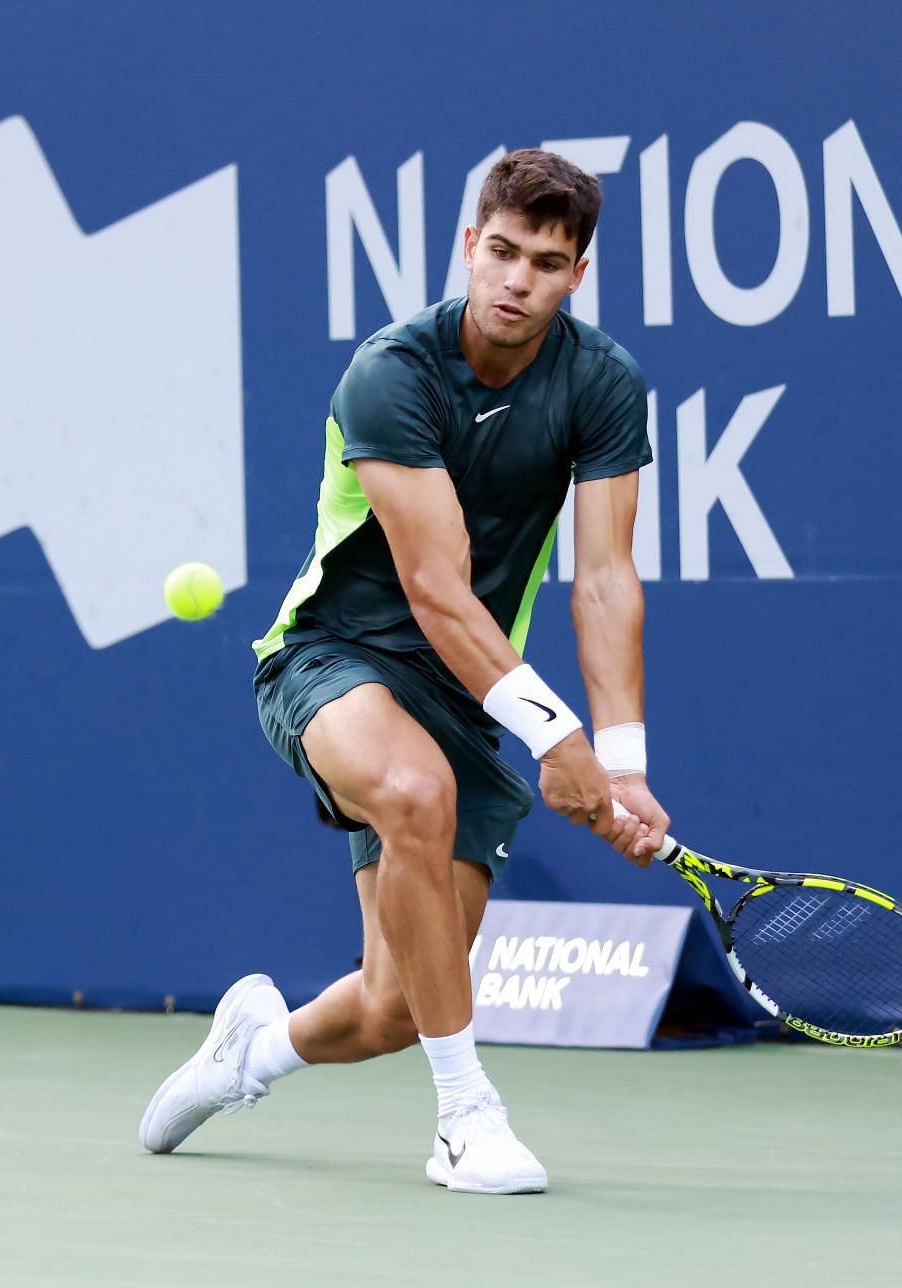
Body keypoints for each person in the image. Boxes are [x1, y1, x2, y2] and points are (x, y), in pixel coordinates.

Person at [139, 149, 669, 1195]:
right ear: (470, 246)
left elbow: (605, 580)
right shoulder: (392, 372)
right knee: (413, 793)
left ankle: (251, 1050)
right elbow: (433, 588)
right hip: (335, 655)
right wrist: (554, 735)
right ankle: (466, 1118)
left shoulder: (603, 384)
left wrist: (622, 760)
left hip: (467, 693)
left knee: (393, 1005)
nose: (518, 280)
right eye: (503, 252)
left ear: (577, 275)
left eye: (548, 262)